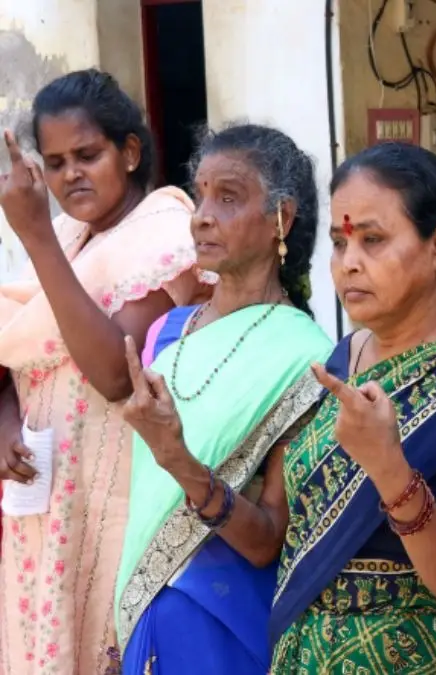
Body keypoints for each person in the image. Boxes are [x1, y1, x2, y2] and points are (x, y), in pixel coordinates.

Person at [268, 141, 436, 674]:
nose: (349, 263)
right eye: (339, 242)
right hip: (305, 656)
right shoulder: (340, 359)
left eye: (373, 240)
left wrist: (389, 470)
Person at [0, 69, 204, 674]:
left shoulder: (167, 236)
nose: (71, 175)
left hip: (114, 498)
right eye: (56, 161)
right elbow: (17, 350)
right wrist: (6, 421)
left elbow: (116, 372)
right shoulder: (69, 234)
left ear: (131, 151)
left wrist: (35, 237)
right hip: (44, 494)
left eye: (88, 155)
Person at [111, 123, 332, 674]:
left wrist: (180, 461)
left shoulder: (307, 358)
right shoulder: (167, 332)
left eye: (228, 197)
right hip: (140, 615)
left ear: (281, 218)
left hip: (222, 626)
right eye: (201, 193)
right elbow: (141, 506)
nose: (201, 214)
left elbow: (266, 542)